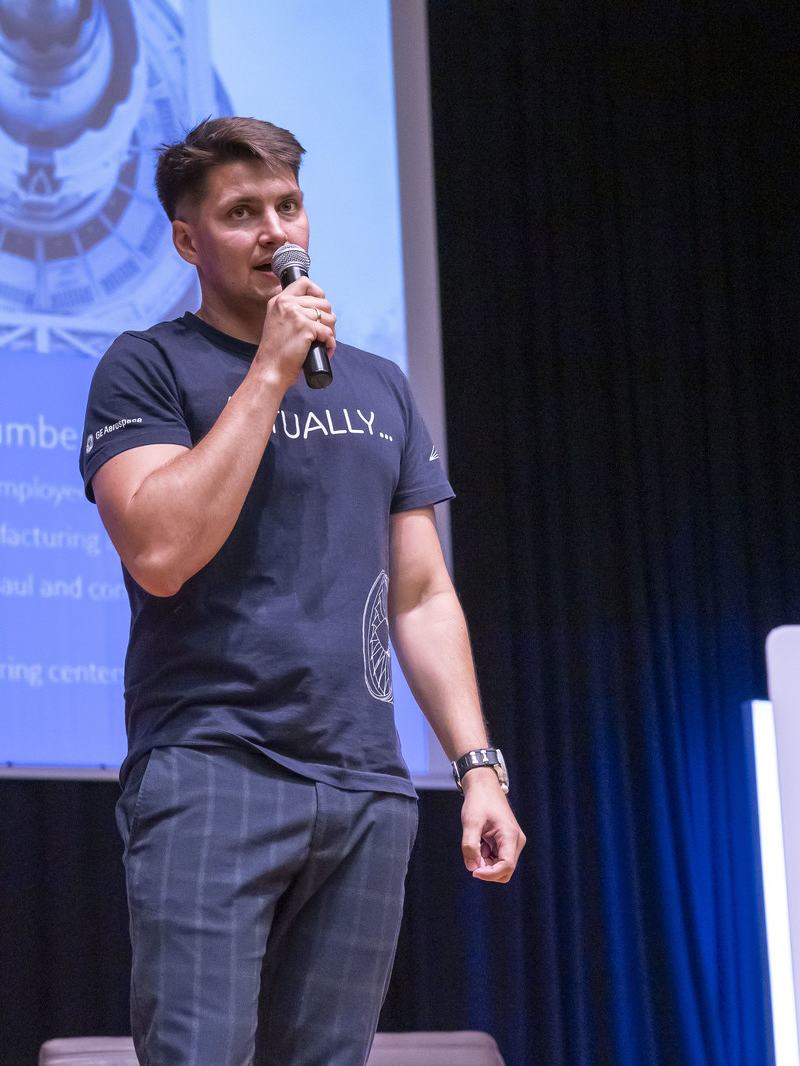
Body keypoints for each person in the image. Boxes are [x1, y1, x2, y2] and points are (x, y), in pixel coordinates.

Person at [79, 116, 526, 1066]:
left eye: (287, 206)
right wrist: (271, 372)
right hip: (213, 769)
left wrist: (478, 768)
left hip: (365, 787)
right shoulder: (148, 366)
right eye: (242, 213)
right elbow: (160, 551)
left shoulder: (381, 386)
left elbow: (421, 595)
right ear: (188, 240)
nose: (275, 231)